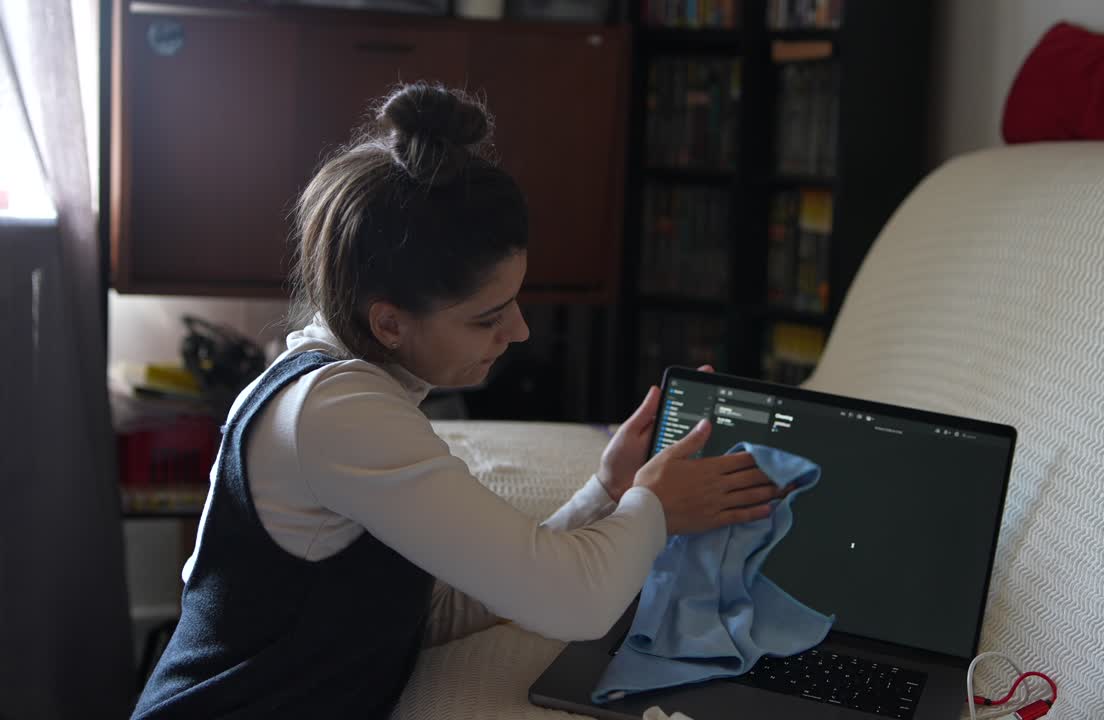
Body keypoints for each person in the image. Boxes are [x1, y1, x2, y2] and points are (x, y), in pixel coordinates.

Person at [132, 82, 784, 718]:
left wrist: (608, 492)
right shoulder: (338, 413)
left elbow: (429, 609)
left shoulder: (343, 387)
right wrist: (657, 509)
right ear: (389, 323)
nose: (520, 331)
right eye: (487, 316)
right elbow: (574, 601)